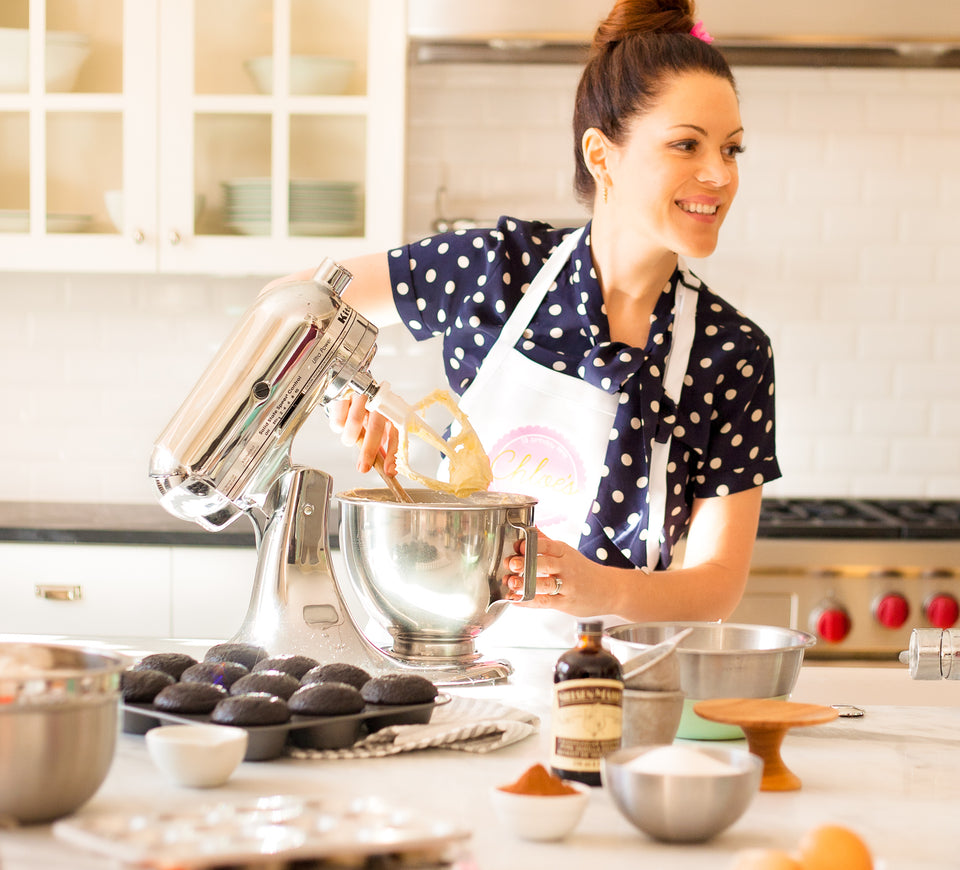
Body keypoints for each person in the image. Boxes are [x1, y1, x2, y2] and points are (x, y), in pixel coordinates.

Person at [273, 0, 780, 642]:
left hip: (618, 694)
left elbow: (716, 588)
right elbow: (296, 304)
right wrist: (350, 388)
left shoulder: (730, 351)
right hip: (454, 670)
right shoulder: (497, 269)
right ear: (603, 155)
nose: (720, 175)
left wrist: (604, 588)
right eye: (687, 144)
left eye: (731, 149)